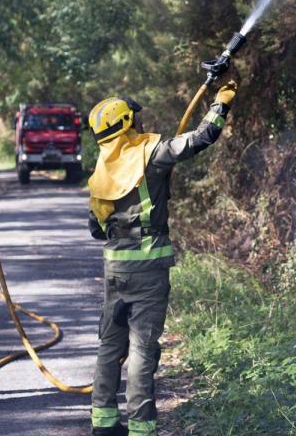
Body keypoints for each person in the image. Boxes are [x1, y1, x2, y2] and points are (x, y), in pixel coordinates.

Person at [87, 81, 237, 436]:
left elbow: (96, 229)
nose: (141, 123)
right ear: (126, 124)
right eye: (135, 119)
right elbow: (203, 137)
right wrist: (222, 101)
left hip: (114, 270)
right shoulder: (152, 154)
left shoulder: (102, 169)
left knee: (110, 344)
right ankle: (141, 427)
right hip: (149, 270)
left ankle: (103, 422)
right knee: (142, 349)